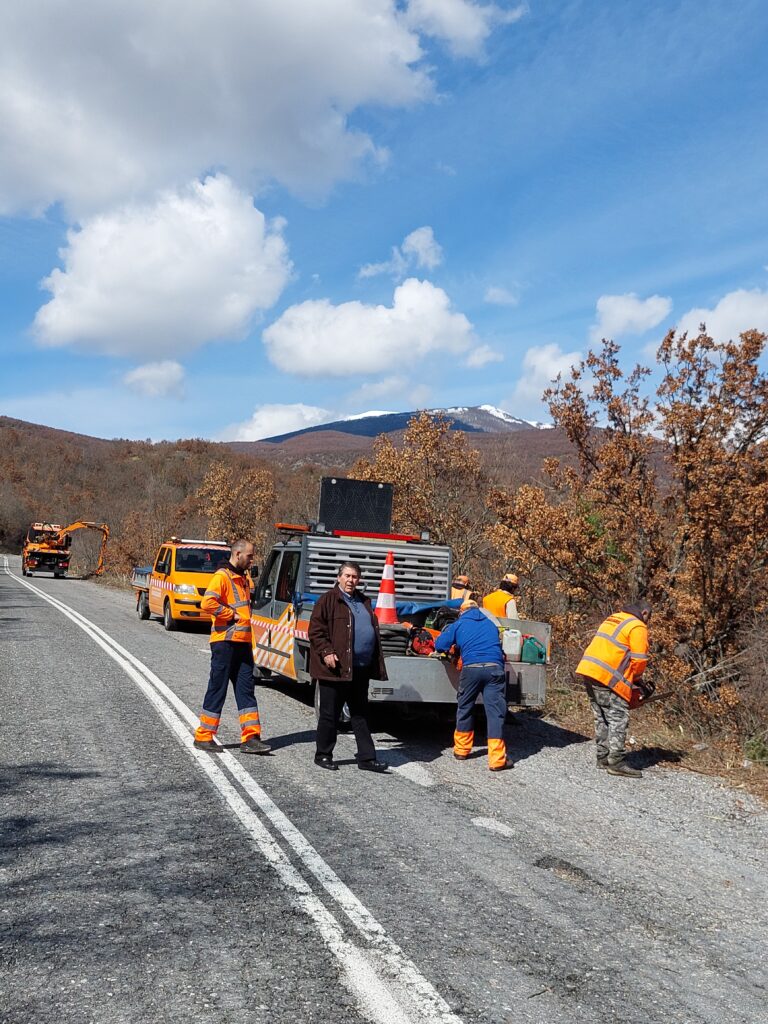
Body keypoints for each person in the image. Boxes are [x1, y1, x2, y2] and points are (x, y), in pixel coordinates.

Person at [308, 561, 389, 773]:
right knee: (330, 714)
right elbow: (315, 631)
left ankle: (367, 758)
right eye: (347, 576)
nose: (351, 580)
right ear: (339, 577)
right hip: (335, 669)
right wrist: (327, 652)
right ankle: (323, 754)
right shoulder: (328, 600)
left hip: (359, 669)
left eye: (354, 577)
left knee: (360, 714)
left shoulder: (363, 601)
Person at [193, 539, 271, 755]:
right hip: (224, 642)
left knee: (246, 690)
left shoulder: (243, 578)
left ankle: (251, 738)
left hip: (242, 643)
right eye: (250, 556)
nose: (252, 560)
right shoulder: (222, 577)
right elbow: (207, 603)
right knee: (218, 688)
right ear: (237, 555)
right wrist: (232, 615)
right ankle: (204, 736)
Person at [575, 600, 653, 778]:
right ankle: (616, 762)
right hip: (607, 677)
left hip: (589, 670)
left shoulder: (614, 618)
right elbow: (640, 659)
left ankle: (603, 757)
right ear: (645, 613)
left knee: (601, 716)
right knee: (618, 717)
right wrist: (638, 680)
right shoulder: (637, 626)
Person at [434, 599, 513, 772]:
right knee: (495, 713)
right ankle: (497, 760)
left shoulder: (459, 624)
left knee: (465, 707)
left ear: (461, 612)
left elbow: (440, 645)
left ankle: (461, 751)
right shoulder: (491, 624)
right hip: (495, 669)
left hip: (472, 669)